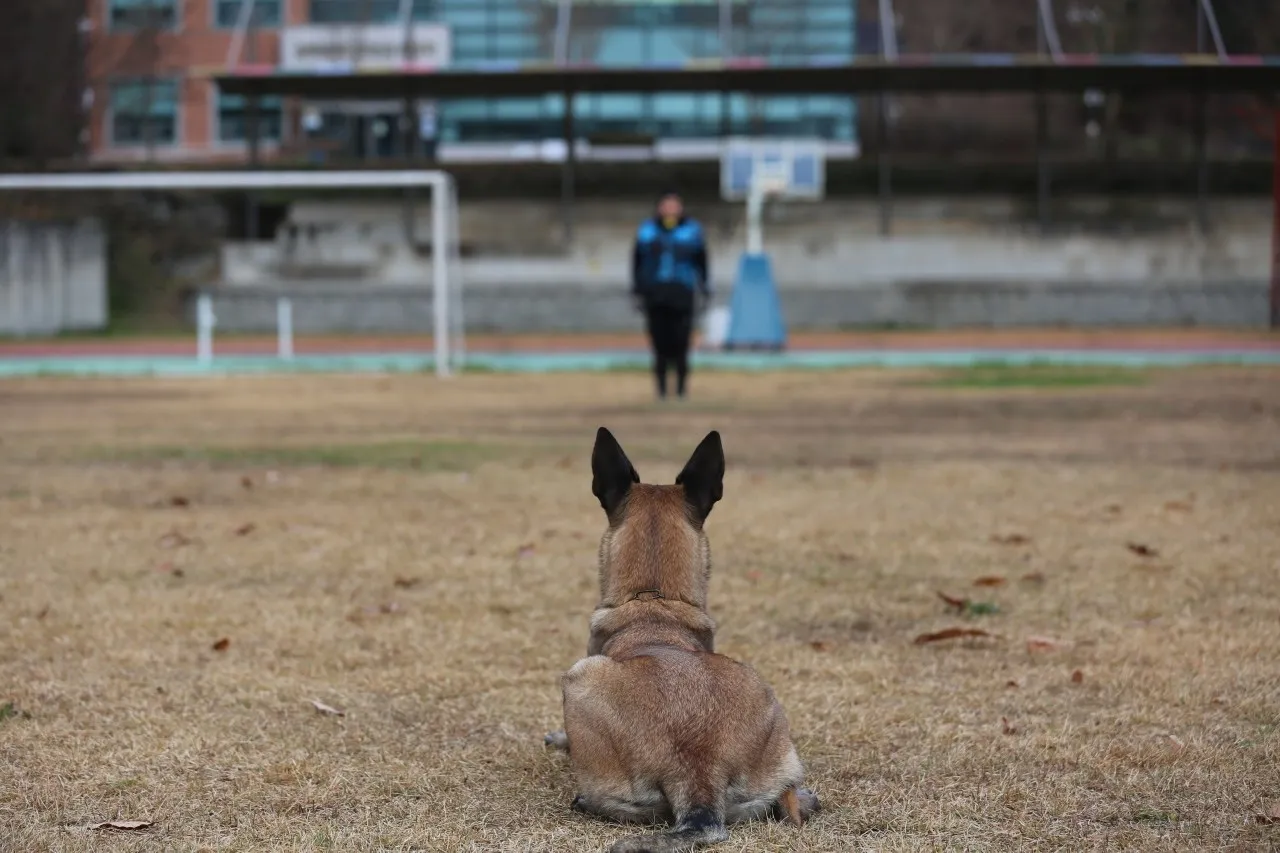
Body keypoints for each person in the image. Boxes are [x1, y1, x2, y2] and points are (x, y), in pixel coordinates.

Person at [631, 190, 710, 400]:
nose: (670, 209)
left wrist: (705, 287)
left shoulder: (692, 231)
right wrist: (637, 291)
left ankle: (682, 390)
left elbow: (702, 261)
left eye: (674, 205)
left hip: (682, 291)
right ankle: (662, 390)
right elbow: (637, 262)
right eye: (666, 205)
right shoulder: (647, 231)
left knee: (682, 342)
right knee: (660, 344)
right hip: (655, 293)